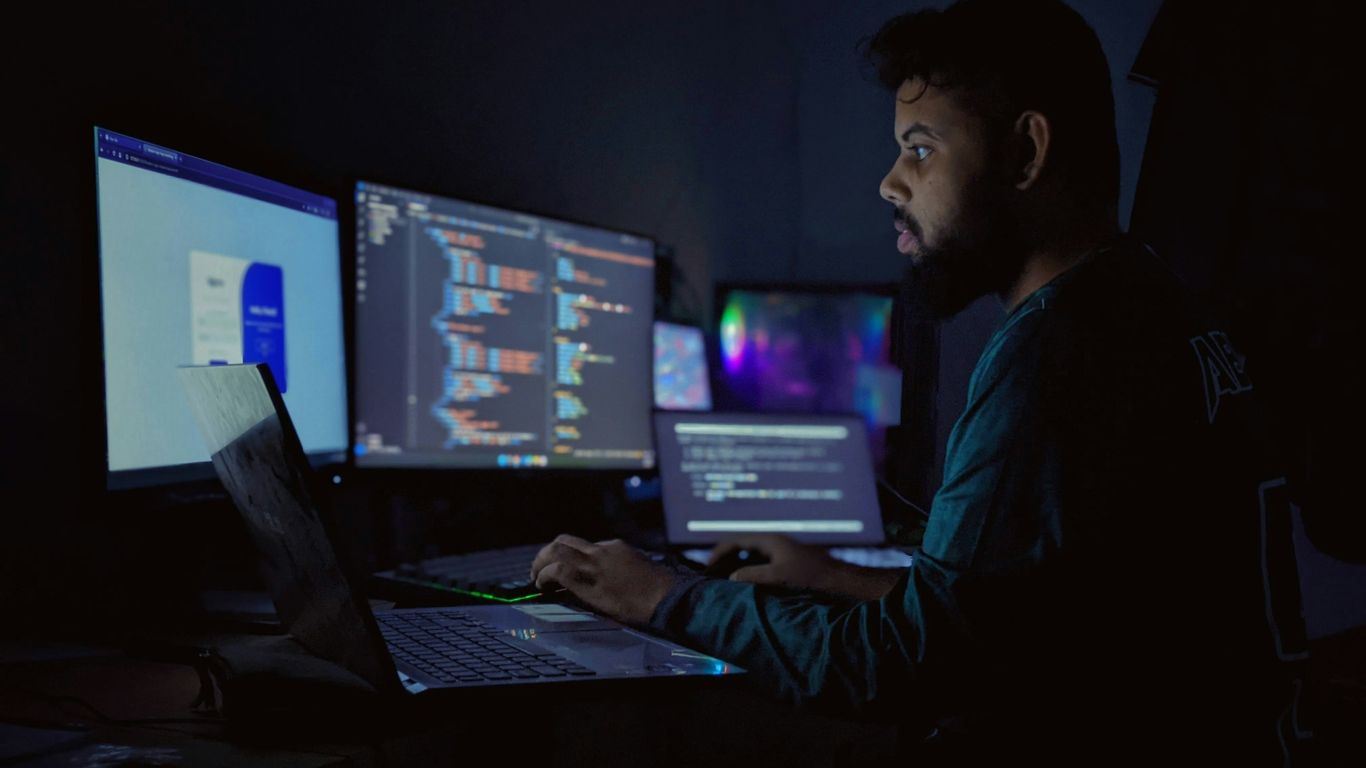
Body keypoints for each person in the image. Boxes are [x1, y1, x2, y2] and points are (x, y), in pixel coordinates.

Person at [531, 0, 1309, 763]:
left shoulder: (1061, 350)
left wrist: (661, 596)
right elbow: (1030, 616)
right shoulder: (1150, 301)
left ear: (1026, 153)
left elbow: (905, 667)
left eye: (922, 148)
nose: (890, 183)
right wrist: (831, 576)